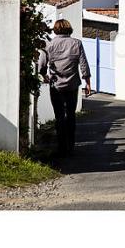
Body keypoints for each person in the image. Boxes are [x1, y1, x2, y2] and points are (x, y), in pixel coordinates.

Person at [38, 19, 91, 157]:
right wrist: (88, 82)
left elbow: (42, 65)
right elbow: (83, 64)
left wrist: (44, 75)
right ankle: (71, 145)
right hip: (72, 85)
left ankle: (61, 146)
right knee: (71, 114)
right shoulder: (76, 43)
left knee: (59, 115)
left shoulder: (49, 45)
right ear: (69, 28)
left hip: (56, 85)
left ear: (55, 30)